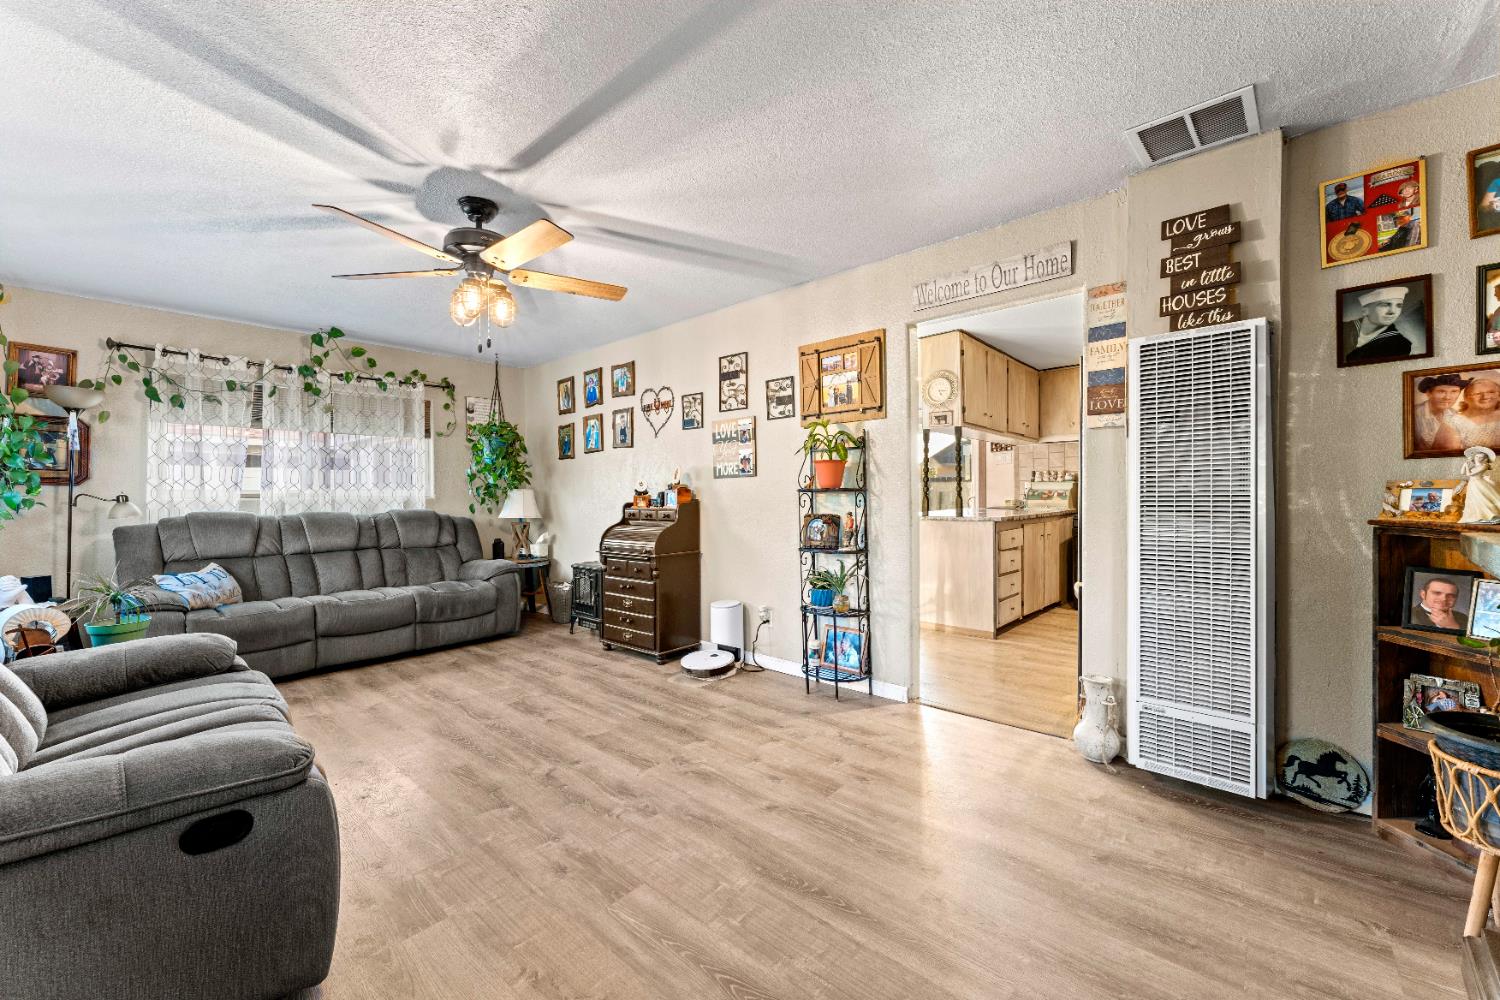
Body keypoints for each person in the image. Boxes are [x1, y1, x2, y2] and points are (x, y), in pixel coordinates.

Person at [1342, 285, 1417, 362]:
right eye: (1385, 304)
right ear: (1365, 310)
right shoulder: (1343, 329)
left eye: (1399, 306)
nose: (1393, 312)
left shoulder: (1400, 345)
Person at [1412, 372, 1468, 452]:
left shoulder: (1455, 415)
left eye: (1454, 391)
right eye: (1441, 391)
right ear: (1428, 393)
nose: (1447, 397)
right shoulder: (1413, 414)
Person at [1453, 379, 1500, 449]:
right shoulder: (1454, 422)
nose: (1485, 397)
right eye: (1477, 393)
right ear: (1466, 398)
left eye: (1491, 392)